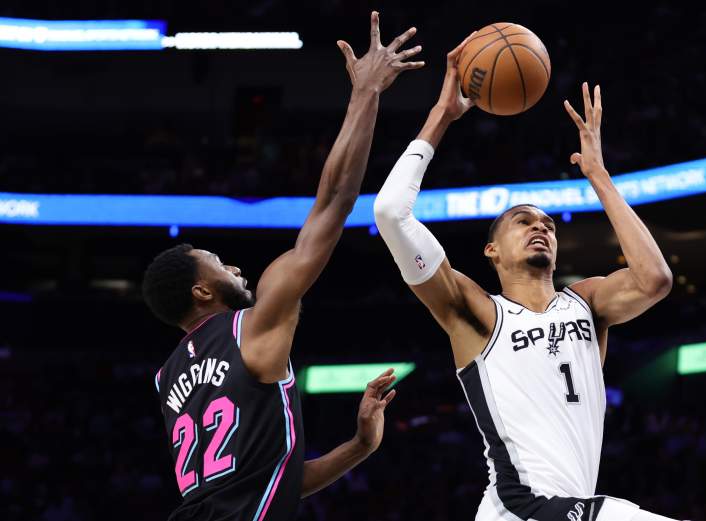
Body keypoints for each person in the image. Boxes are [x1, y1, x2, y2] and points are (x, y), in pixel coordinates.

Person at [373, 37, 678, 521]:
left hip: (565, 508)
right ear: (491, 251)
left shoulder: (587, 302)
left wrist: (598, 176)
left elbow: (655, 279)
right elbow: (391, 212)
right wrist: (443, 115)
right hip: (519, 507)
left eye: (548, 224)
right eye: (523, 221)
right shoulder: (475, 312)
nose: (540, 226)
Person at [141, 12, 423, 520]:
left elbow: (273, 483)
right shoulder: (251, 325)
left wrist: (360, 446)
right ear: (201, 291)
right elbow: (336, 199)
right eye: (218, 264)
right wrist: (367, 92)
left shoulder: (169, 380)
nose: (235, 268)